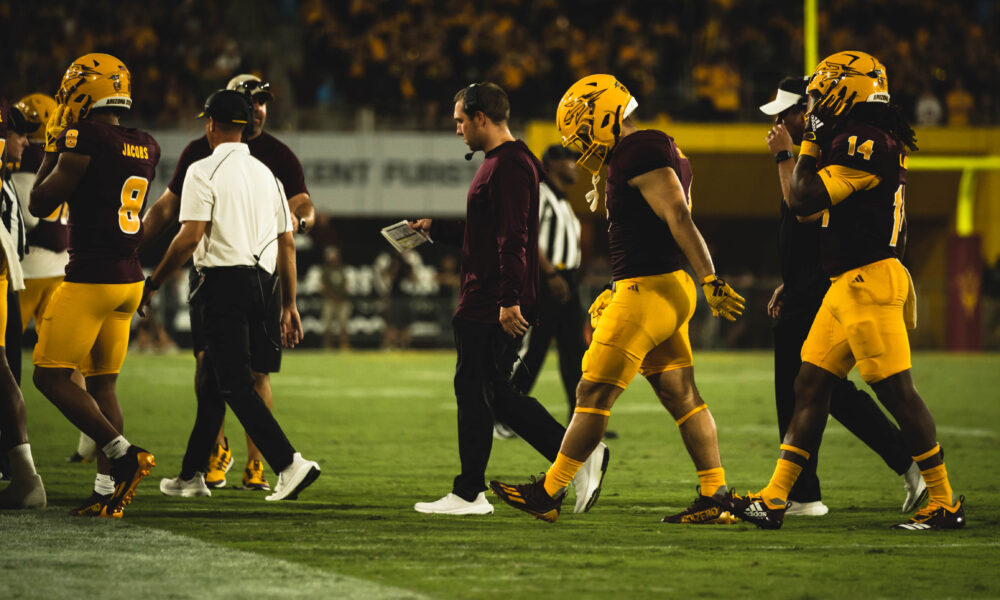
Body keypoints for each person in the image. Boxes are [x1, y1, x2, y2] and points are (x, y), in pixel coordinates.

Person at [723, 51, 965, 531]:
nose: (813, 101)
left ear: (843, 89)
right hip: (846, 282)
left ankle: (944, 499)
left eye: (819, 91)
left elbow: (803, 199)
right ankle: (777, 498)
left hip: (870, 280)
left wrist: (808, 141)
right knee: (808, 386)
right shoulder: (862, 136)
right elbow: (809, 208)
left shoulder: (864, 140)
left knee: (898, 393)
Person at [490, 74, 745, 524]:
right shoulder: (652, 146)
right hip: (662, 287)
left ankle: (548, 492)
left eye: (584, 128)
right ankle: (716, 493)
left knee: (591, 391)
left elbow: (678, 215)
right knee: (681, 395)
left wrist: (710, 277)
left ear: (606, 115)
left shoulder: (637, 150)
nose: (581, 142)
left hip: (648, 292)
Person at [409, 82, 608, 516]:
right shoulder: (505, 163)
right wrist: (435, 229)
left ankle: (469, 493)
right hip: (488, 295)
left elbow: (515, 237)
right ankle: (576, 454)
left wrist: (508, 299)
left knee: (477, 388)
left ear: (482, 116)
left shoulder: (511, 164)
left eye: (461, 120)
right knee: (494, 392)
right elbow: (486, 231)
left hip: (489, 299)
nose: (457, 129)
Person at [760, 76, 925, 517]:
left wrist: (786, 156)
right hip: (817, 281)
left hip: (841, 284)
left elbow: (805, 211)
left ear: (807, 111)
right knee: (812, 387)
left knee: (828, 390)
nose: (778, 121)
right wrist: (790, 279)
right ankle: (798, 491)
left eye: (788, 112)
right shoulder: (831, 149)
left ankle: (804, 492)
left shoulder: (836, 148)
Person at [143, 73, 316, 492]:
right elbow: (288, 244)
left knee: (235, 383)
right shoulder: (269, 175)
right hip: (264, 285)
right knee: (212, 384)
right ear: (244, 123)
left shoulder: (202, 169)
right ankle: (191, 476)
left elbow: (188, 237)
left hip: (221, 284)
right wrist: (289, 302)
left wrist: (153, 282)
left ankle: (288, 464)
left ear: (210, 124)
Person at [29, 53, 159, 518]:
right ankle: (107, 493)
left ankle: (124, 456)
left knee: (48, 375)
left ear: (86, 89)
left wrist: (50, 147)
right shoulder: (147, 143)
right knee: (103, 388)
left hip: (91, 279)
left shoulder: (84, 135)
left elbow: (41, 201)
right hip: (130, 281)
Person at [7, 94, 97, 465]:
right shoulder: (70, 162)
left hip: (25, 274)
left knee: (7, 362)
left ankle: (12, 444)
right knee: (68, 363)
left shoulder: (25, 164)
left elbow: (29, 222)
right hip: (61, 271)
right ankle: (91, 434)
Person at [501, 144, 614, 438]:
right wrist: (550, 274)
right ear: (551, 165)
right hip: (546, 280)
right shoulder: (540, 194)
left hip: (567, 282)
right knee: (532, 350)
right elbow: (526, 237)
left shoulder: (562, 202)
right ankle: (504, 414)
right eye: (568, 160)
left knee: (576, 355)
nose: (575, 165)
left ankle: (582, 424)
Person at [0, 98, 45, 509]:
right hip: (9, 281)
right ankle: (21, 474)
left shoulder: (9, 178)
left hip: (6, 281)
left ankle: (24, 476)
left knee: (5, 370)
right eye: (21, 135)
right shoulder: (7, 177)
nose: (25, 143)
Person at [319, 245, 351, 350]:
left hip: (342, 301)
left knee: (344, 325)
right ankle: (328, 346)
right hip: (329, 301)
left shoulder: (342, 269)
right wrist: (333, 297)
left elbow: (346, 285)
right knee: (327, 326)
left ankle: (344, 346)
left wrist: (342, 297)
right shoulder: (325, 270)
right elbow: (323, 287)